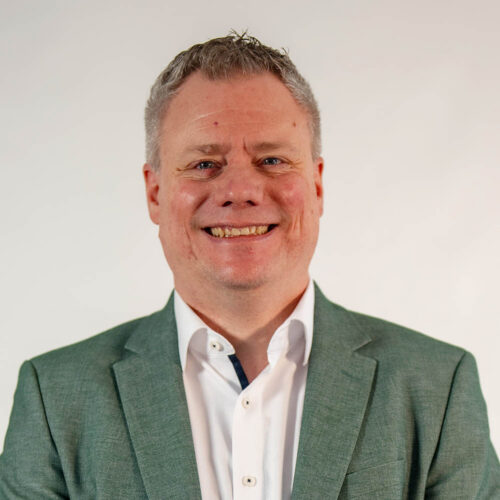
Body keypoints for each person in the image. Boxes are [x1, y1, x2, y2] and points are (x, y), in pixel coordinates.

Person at [0, 32, 498, 499]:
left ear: (317, 185)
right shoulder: (54, 401)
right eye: (204, 164)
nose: (240, 191)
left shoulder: (438, 388)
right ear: (155, 193)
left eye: (272, 160)